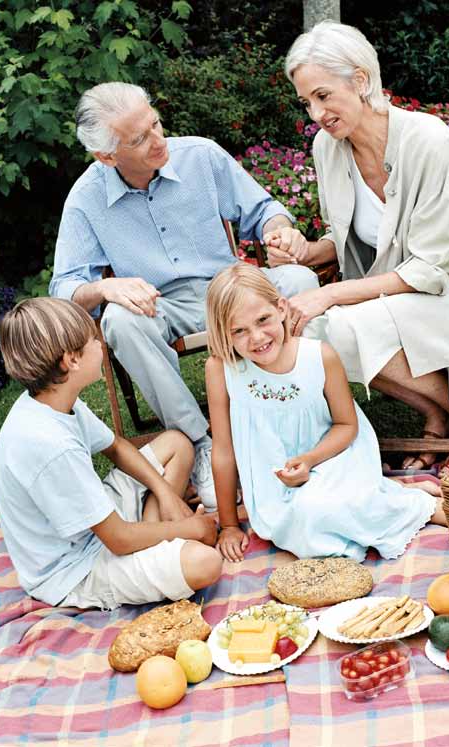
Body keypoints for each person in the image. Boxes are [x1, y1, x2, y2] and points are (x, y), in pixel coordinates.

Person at [264, 21, 449, 475]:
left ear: (361, 80)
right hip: (397, 294)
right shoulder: (328, 148)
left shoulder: (429, 140)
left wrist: (327, 293)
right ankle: (439, 415)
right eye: (307, 101)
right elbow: (346, 237)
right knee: (321, 329)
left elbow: (432, 267)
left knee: (337, 320)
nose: (315, 113)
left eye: (323, 96)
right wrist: (304, 251)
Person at [49, 82, 318, 509]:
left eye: (155, 124)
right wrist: (105, 287)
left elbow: (263, 210)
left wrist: (278, 230)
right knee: (119, 320)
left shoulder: (200, 154)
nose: (159, 142)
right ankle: (200, 445)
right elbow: (63, 287)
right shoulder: (86, 199)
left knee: (301, 282)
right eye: (139, 139)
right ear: (106, 156)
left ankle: (308, 413)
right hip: (160, 305)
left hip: (229, 291)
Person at [204, 263, 445, 563]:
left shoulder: (318, 356)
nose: (256, 337)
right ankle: (384, 493)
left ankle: (420, 506)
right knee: (301, 519)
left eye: (263, 319)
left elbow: (346, 426)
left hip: (334, 455)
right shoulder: (221, 370)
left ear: (281, 308)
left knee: (316, 509)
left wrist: (309, 460)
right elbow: (224, 451)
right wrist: (228, 525)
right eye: (238, 331)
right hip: (275, 481)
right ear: (223, 334)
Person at [0, 297, 222, 610]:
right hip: (75, 568)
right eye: (93, 341)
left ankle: (154, 527)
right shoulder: (51, 446)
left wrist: (164, 493)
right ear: (71, 361)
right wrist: (190, 528)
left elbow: (116, 446)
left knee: (177, 444)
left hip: (98, 525)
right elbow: (118, 539)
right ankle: (160, 538)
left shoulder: (54, 400)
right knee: (204, 562)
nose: (101, 346)